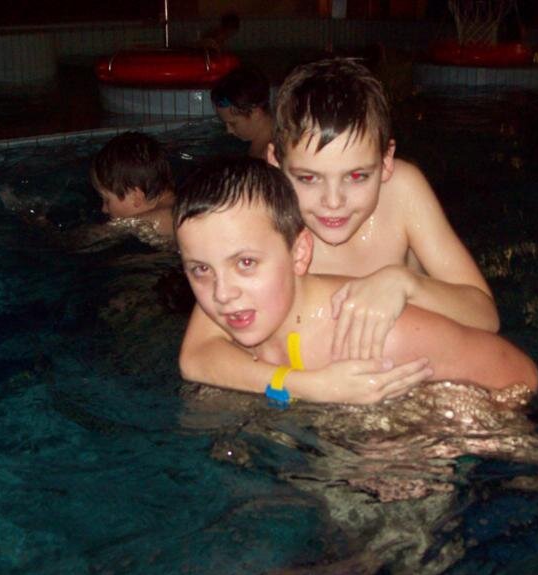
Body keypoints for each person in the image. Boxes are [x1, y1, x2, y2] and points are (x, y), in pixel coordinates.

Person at [179, 58, 499, 402]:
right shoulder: (265, 212)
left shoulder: (402, 192)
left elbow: (484, 316)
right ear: (275, 162)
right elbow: (197, 355)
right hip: (316, 374)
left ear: (386, 161)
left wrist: (405, 283)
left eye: (357, 176)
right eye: (308, 178)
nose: (333, 202)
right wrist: (310, 386)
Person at [175, 157, 538, 404]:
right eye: (200, 270)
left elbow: (519, 375)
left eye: (246, 263)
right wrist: (308, 387)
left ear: (299, 253)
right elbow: (195, 360)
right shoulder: (238, 306)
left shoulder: (372, 332)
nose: (222, 293)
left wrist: (436, 424)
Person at [89, 131, 175, 246]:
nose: (104, 209)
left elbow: (95, 237)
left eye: (107, 200)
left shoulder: (160, 220)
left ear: (136, 197)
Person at [211, 66, 273, 159]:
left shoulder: (270, 155)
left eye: (233, 124)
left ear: (255, 113)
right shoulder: (260, 146)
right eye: (225, 123)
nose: (229, 130)